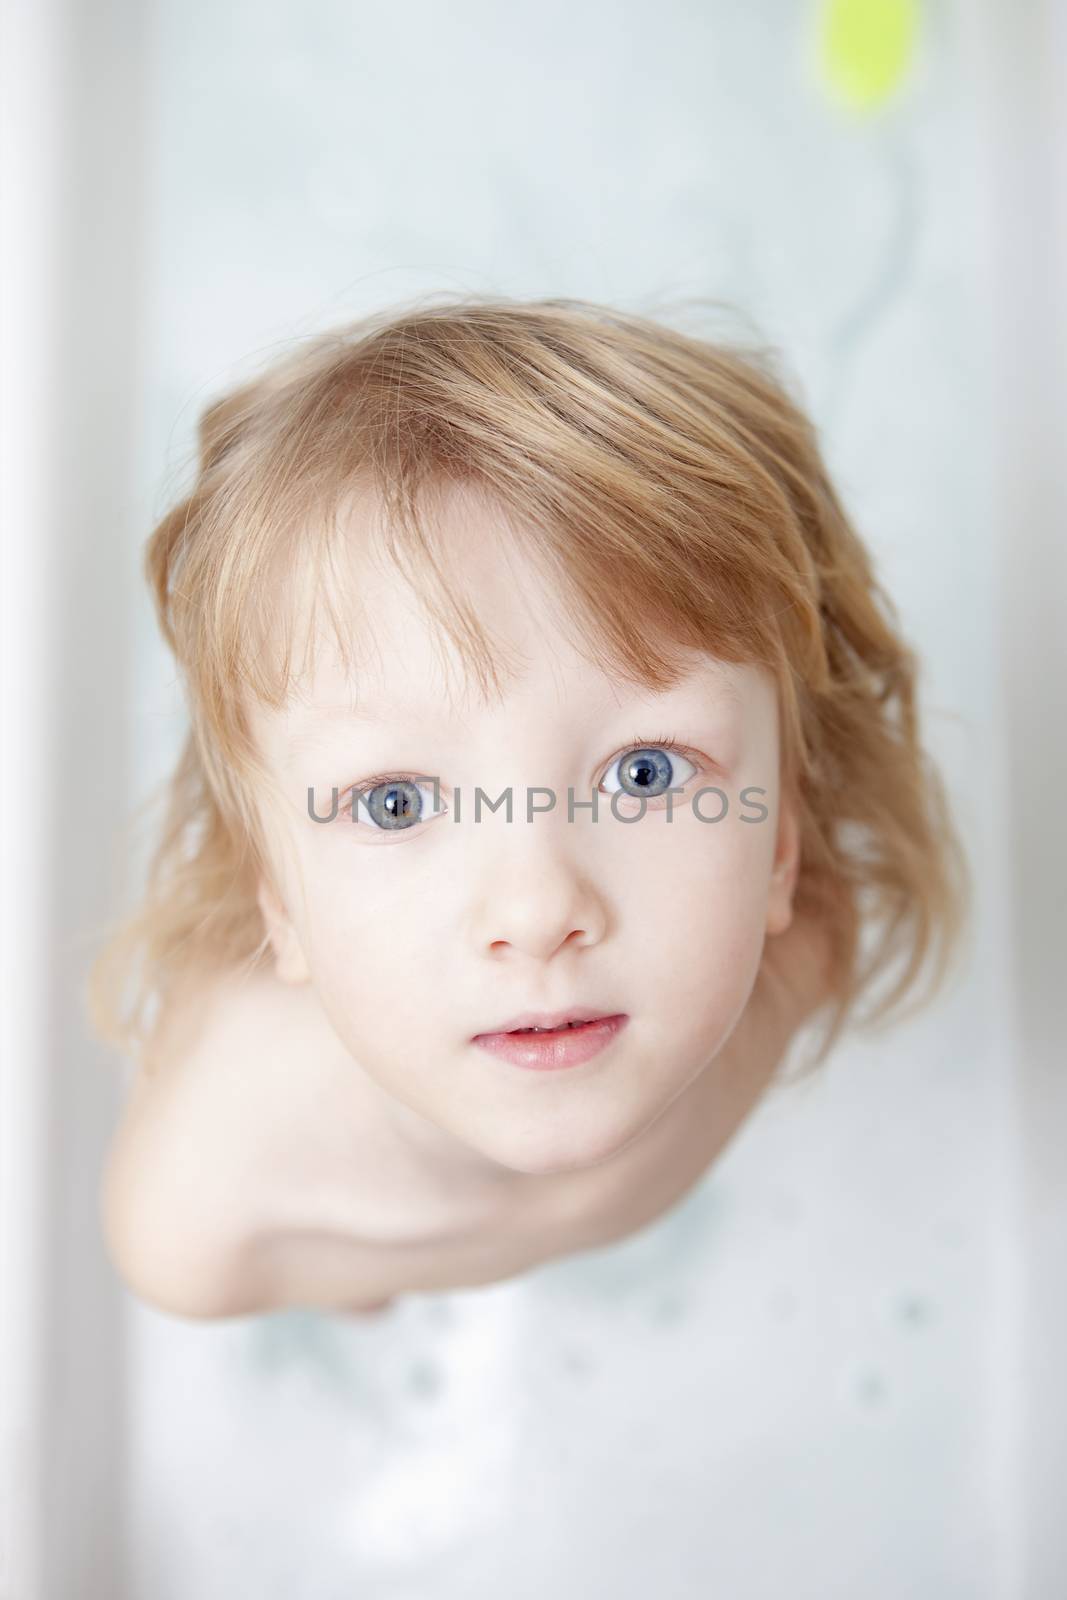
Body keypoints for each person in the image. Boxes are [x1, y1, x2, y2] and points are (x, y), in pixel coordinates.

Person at [86, 295, 969, 1321]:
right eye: (395, 800)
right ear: (275, 896)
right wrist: (363, 1288)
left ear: (780, 845)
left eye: (645, 773)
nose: (538, 906)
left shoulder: (801, 954)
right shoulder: (205, 1219)